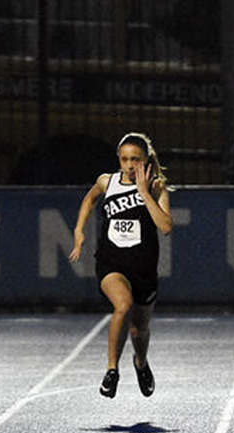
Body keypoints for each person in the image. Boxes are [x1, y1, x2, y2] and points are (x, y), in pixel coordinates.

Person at [69, 132, 175, 398]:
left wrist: (143, 192)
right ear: (119, 159)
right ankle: (112, 370)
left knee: (139, 330)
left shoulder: (155, 187)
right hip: (111, 261)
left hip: (143, 266)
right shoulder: (108, 182)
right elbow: (89, 199)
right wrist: (79, 231)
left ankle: (140, 363)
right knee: (123, 305)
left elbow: (165, 227)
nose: (129, 165)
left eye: (135, 160)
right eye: (125, 159)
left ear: (146, 160)